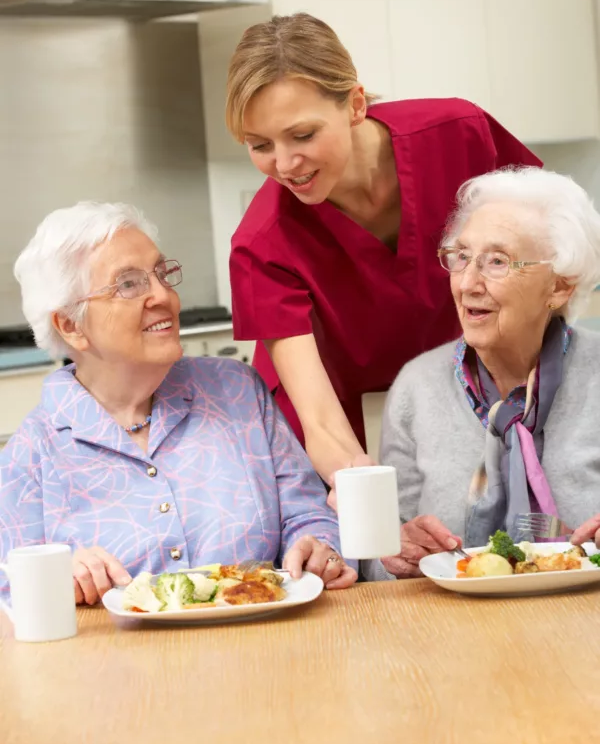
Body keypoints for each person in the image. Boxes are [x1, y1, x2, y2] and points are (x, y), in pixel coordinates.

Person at [226, 12, 542, 486]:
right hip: (338, 421)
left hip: (471, 387)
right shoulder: (261, 245)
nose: (285, 164)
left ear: (354, 104)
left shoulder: (460, 135)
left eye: (303, 135)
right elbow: (321, 423)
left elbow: (548, 246)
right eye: (259, 145)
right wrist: (367, 497)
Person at [0, 202, 357, 605]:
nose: (163, 296)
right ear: (70, 325)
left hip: (261, 648)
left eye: (161, 273)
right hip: (117, 665)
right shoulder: (30, 455)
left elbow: (308, 514)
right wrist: (52, 581)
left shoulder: (236, 390)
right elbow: (9, 599)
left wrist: (317, 547)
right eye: (129, 284)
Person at [366, 167, 600, 580]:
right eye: (460, 257)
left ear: (559, 287)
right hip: (452, 629)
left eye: (497, 261)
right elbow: (377, 555)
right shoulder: (417, 386)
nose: (468, 283)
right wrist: (395, 555)